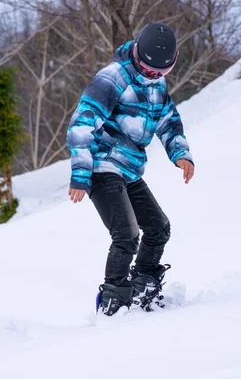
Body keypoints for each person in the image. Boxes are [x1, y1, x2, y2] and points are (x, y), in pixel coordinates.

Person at [66, 23, 195, 316]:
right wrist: (81, 174)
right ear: (136, 55)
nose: (153, 76)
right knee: (125, 234)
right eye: (148, 70)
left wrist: (181, 154)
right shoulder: (113, 78)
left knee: (159, 228)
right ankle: (114, 301)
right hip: (101, 166)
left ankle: (143, 287)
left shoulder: (157, 84)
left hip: (130, 168)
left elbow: (168, 120)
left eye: (160, 72)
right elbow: (81, 125)